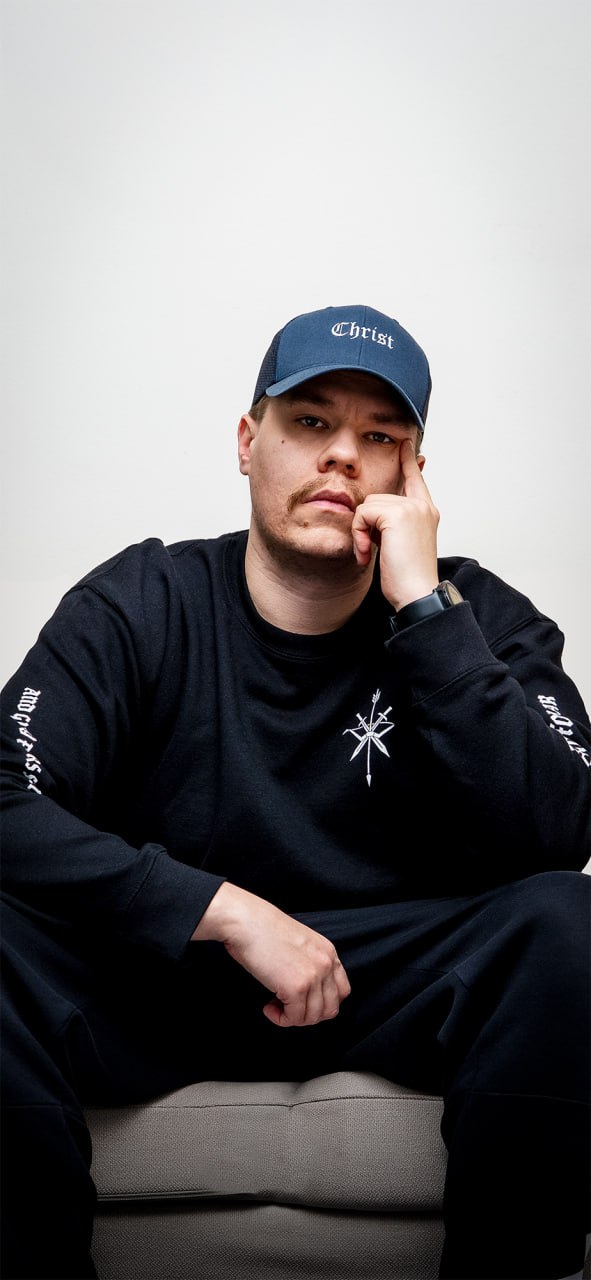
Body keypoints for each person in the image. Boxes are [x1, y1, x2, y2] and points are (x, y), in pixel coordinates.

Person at [1, 302, 589, 1280]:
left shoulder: (477, 617)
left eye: (380, 437)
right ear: (248, 441)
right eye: (310, 421)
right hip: (172, 973)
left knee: (568, 920)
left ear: (414, 475)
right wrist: (222, 910)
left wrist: (424, 611)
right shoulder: (141, 603)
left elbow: (559, 832)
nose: (342, 455)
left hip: (391, 978)